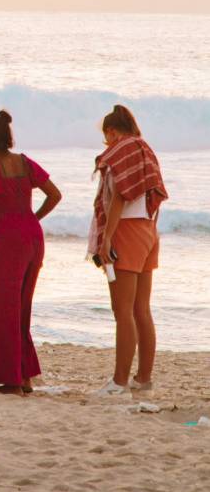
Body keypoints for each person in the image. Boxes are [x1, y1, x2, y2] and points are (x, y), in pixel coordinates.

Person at [0, 110, 61, 395]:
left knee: (1, 308)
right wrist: (32, 220)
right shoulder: (24, 162)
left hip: (8, 243)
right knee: (21, 307)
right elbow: (55, 195)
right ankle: (26, 377)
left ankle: (12, 380)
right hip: (33, 239)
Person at [90, 104, 167, 396]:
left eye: (106, 138)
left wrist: (106, 238)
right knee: (141, 310)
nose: (106, 144)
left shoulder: (121, 150)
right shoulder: (145, 149)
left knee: (121, 310)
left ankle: (119, 382)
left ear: (111, 131)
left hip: (126, 230)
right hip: (148, 230)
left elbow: (119, 196)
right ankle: (143, 379)